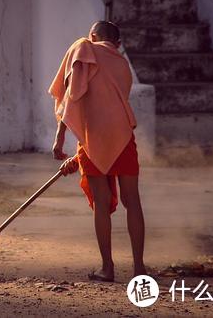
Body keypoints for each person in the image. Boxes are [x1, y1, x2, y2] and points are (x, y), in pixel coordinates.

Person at [48, 21, 146, 282]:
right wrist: (76, 157)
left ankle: (107, 268)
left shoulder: (83, 48)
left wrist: (60, 138)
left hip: (93, 136)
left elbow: (72, 96)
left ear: (93, 36)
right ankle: (139, 269)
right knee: (132, 201)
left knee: (101, 204)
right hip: (123, 136)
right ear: (118, 44)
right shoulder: (124, 65)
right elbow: (109, 102)